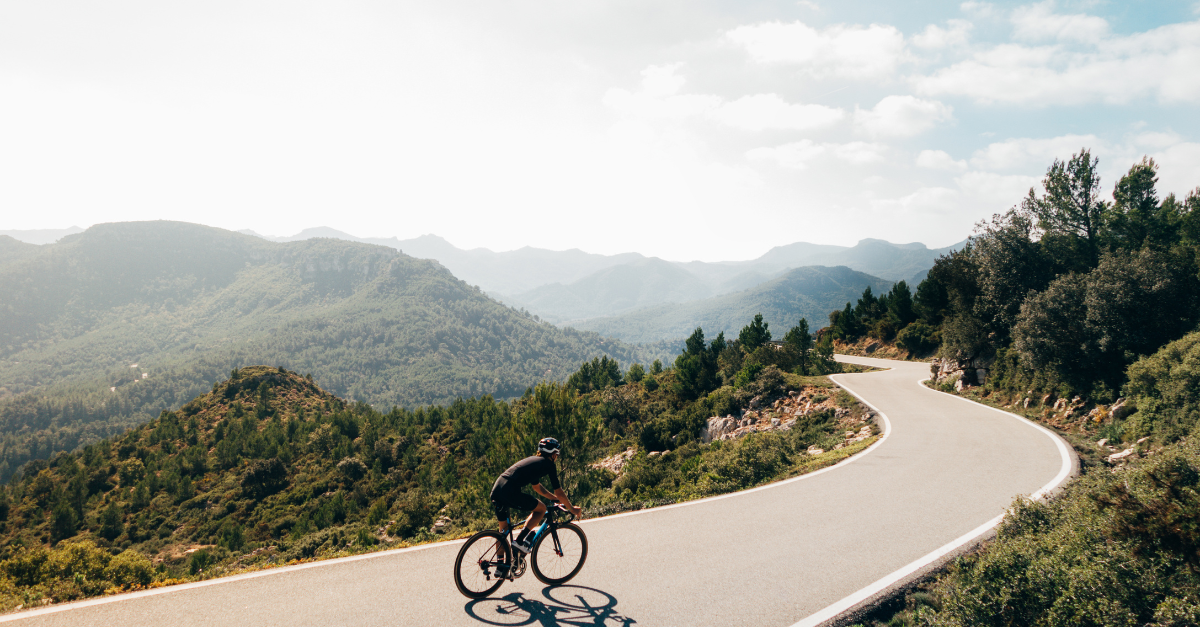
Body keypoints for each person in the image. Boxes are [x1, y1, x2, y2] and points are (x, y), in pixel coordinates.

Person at [490, 437, 583, 556]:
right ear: (553, 453)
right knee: (541, 509)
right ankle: (519, 541)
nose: (557, 456)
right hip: (510, 491)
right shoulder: (549, 464)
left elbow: (537, 487)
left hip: (497, 489)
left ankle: (501, 567)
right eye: (557, 453)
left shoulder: (534, 462)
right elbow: (559, 491)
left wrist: (553, 498)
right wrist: (572, 509)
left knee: (503, 530)